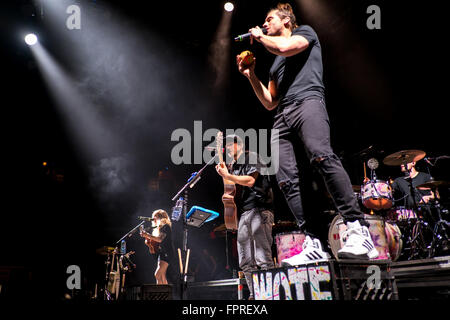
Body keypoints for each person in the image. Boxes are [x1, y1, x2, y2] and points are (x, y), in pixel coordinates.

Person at [236, 2, 378, 263]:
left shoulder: (306, 34)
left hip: (308, 101)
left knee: (322, 156)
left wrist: (259, 35)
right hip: (282, 116)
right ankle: (313, 242)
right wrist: (250, 75)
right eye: (264, 22)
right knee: (285, 179)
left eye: (269, 19)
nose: (265, 24)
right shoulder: (275, 64)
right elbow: (269, 101)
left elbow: (285, 47)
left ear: (286, 21)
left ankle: (358, 228)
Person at [215, 134, 275, 300]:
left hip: (259, 209)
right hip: (243, 213)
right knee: (245, 261)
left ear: (238, 145)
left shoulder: (252, 157)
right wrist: (225, 175)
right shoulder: (233, 165)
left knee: (263, 258)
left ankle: (270, 294)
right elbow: (232, 188)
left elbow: (249, 181)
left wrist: (228, 176)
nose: (226, 149)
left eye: (228, 145)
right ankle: (256, 294)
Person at [140, 209, 175, 284]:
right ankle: (163, 294)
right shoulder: (158, 229)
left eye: (155, 218)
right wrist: (149, 242)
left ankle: (160, 293)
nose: (153, 220)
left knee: (157, 274)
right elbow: (155, 246)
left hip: (167, 253)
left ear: (160, 217)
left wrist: (148, 235)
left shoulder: (166, 226)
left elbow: (160, 239)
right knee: (161, 275)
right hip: (162, 253)